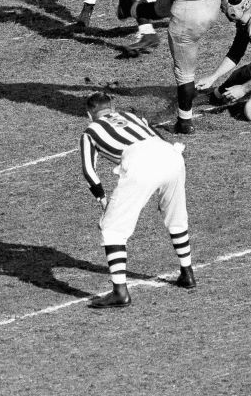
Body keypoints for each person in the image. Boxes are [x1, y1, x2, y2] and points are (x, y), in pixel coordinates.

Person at [102, 0, 251, 134]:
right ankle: (132, 9)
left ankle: (184, 121)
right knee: (164, 4)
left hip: (187, 14)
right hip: (209, 3)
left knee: (184, 72)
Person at [79, 92, 196, 308]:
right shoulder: (131, 117)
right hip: (171, 155)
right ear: (112, 109)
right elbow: (158, 138)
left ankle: (120, 293)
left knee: (112, 229)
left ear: (89, 114)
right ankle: (187, 272)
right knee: (176, 216)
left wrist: (103, 200)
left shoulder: (90, 131)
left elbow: (89, 170)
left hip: (140, 162)